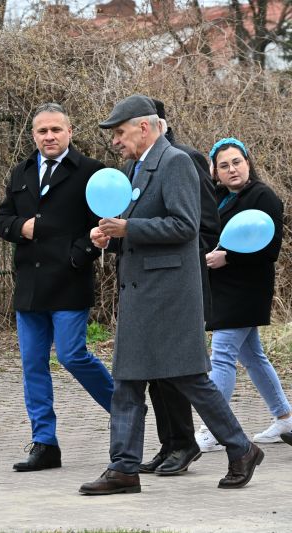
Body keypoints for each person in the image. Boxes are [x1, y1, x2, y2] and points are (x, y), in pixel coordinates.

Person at [80, 94, 262, 495]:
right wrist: (110, 236)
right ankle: (123, 468)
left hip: (170, 294)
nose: (115, 141)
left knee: (189, 378)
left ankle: (241, 448)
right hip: (141, 292)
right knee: (127, 381)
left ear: (144, 127)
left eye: (120, 132)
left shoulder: (175, 162)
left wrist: (128, 229)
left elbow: (185, 226)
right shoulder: (134, 167)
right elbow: (136, 226)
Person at [0, 102, 113, 472]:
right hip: (29, 286)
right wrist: (20, 228)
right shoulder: (22, 171)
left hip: (69, 282)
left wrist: (79, 256)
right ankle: (44, 443)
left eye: (56, 130)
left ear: (69, 132)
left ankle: (125, 411)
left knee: (72, 356)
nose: (49, 136)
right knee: (33, 365)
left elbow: (103, 225)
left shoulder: (91, 172)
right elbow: (1, 218)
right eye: (42, 131)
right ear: (33, 135)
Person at [139, 98, 221, 476]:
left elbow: (206, 226)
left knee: (177, 371)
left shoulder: (184, 159)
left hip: (181, 282)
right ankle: (170, 443)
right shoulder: (139, 165)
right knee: (156, 373)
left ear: (155, 124)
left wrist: (174, 258)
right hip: (150, 283)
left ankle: (188, 443)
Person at [193, 137, 291, 450]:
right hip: (222, 288)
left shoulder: (263, 196)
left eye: (237, 162)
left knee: (222, 355)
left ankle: (215, 429)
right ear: (215, 172)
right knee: (252, 356)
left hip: (247, 290)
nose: (232, 169)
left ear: (248, 162)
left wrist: (229, 258)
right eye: (224, 165)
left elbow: (270, 249)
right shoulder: (218, 197)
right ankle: (286, 418)